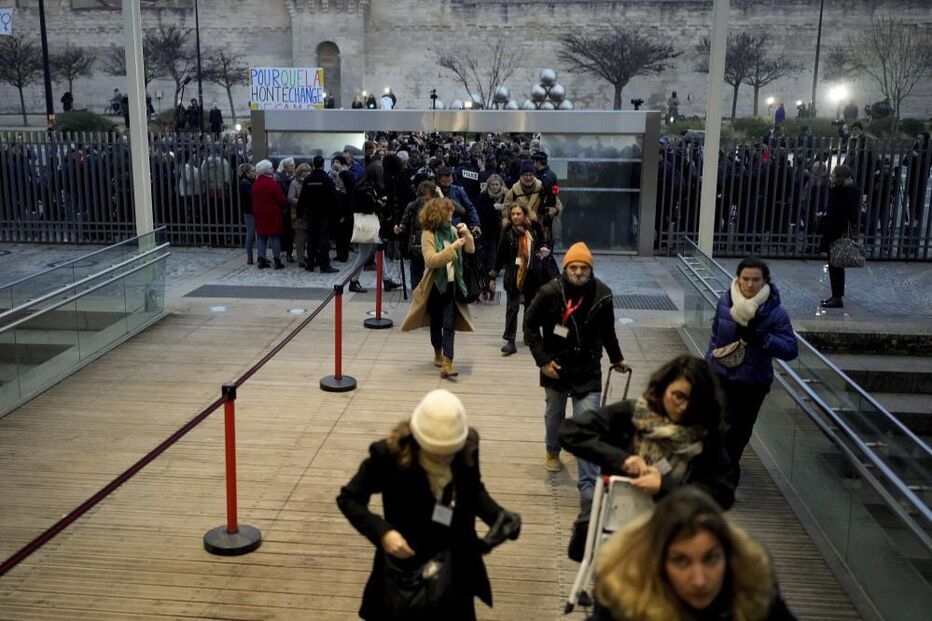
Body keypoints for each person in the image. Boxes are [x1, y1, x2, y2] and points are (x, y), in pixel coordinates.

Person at [337, 389, 521, 621]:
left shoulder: (467, 447)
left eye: (447, 453)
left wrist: (498, 515)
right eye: (433, 453)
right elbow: (349, 498)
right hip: (405, 573)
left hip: (455, 568)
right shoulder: (389, 454)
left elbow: (473, 491)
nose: (441, 458)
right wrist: (384, 533)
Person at [560, 354, 734, 561]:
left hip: (671, 539)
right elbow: (570, 431)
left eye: (694, 401)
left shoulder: (706, 437)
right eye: (678, 396)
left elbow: (722, 494)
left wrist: (665, 485)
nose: (684, 407)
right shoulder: (633, 415)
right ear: (663, 388)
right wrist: (622, 459)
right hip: (616, 531)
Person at [591, 487, 797, 621]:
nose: (699, 580)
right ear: (657, 562)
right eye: (681, 561)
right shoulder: (623, 598)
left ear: (728, 555)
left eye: (711, 559)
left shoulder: (754, 588)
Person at [523, 241, 628, 486]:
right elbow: (529, 324)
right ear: (566, 268)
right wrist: (542, 361)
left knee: (588, 422)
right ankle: (552, 449)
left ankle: (588, 484)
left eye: (583, 268)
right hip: (556, 365)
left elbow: (608, 331)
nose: (578, 272)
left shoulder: (603, 294)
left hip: (588, 367)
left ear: (590, 269)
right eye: (574, 267)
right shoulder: (550, 292)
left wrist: (617, 358)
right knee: (554, 414)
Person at [706, 257, 797, 486]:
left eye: (755, 280)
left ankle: (724, 480)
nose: (749, 285)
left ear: (764, 281)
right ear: (738, 279)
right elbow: (716, 336)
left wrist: (762, 339)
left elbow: (790, 349)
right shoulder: (725, 303)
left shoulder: (776, 314)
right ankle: (720, 480)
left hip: (752, 384)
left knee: (738, 435)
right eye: (745, 279)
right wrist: (708, 364)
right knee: (719, 430)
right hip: (722, 377)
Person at [401, 198, 476, 378]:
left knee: (449, 323)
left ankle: (448, 363)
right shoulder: (428, 234)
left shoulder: (452, 231)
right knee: (436, 321)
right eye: (448, 211)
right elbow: (430, 260)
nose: (452, 214)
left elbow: (470, 251)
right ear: (439, 214)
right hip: (434, 285)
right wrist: (451, 250)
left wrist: (467, 235)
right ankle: (437, 352)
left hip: (452, 284)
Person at [490, 203, 547, 356]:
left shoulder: (534, 228)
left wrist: (542, 250)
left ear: (525, 214)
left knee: (530, 306)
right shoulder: (507, 231)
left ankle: (529, 334)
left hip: (532, 273)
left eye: (518, 214)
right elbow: (500, 254)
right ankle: (510, 340)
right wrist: (493, 274)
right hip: (513, 274)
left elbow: (542, 243)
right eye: (513, 214)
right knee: (512, 308)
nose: (515, 217)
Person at [818, 165, 861, 309]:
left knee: (835, 265)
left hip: (836, 232)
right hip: (837, 230)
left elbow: (840, 214)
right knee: (835, 266)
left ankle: (837, 297)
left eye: (833, 174)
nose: (831, 176)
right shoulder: (849, 190)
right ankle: (836, 296)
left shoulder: (843, 192)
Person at [505, 160, 562, 249]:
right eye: (525, 175)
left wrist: (555, 210)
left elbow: (558, 204)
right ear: (521, 176)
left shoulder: (542, 188)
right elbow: (505, 210)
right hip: (519, 233)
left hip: (539, 233)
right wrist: (513, 225)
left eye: (530, 175)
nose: (528, 178)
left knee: (539, 259)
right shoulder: (513, 192)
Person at [298, 155, 339, 273]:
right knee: (323, 240)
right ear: (322, 164)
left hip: (311, 215)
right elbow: (334, 198)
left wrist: (300, 214)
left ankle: (310, 264)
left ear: (313, 164)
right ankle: (324, 265)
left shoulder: (308, 180)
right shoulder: (326, 179)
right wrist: (337, 214)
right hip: (324, 215)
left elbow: (302, 198)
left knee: (312, 240)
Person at [396, 180, 439, 288]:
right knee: (416, 282)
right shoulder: (413, 206)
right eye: (423, 199)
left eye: (428, 199)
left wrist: (441, 196)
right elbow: (403, 223)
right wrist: (399, 229)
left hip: (434, 248)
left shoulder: (440, 206)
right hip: (416, 248)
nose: (425, 202)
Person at [475, 173, 507, 300]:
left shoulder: (505, 195)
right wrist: (493, 208)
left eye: (497, 185)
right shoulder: (483, 197)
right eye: (492, 185)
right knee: (489, 260)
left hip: (501, 233)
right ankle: (488, 287)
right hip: (488, 233)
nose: (494, 187)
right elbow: (479, 211)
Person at [251, 159, 286, 270]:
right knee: (275, 236)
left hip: (259, 213)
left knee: (262, 236)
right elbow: (281, 199)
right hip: (273, 213)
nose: (273, 169)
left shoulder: (256, 184)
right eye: (270, 168)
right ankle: (277, 259)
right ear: (266, 170)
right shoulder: (272, 183)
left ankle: (261, 258)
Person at [288, 162, 312, 268]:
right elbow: (290, 197)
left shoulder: (310, 182)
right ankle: (301, 257)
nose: (306, 173)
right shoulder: (294, 183)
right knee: (300, 237)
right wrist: (301, 202)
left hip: (310, 213)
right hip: (299, 213)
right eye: (304, 171)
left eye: (308, 171)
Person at [275, 157, 297, 262]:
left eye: (293, 165)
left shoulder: (296, 176)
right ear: (285, 167)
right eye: (291, 165)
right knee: (287, 231)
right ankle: (288, 252)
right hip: (286, 208)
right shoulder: (280, 178)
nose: (293, 167)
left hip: (295, 207)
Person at [238, 163, 256, 265]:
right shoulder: (244, 183)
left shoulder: (252, 181)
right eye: (253, 171)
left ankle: (258, 256)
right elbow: (250, 197)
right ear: (247, 173)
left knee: (257, 234)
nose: (255, 173)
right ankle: (249, 256)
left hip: (253, 210)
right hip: (249, 211)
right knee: (250, 234)